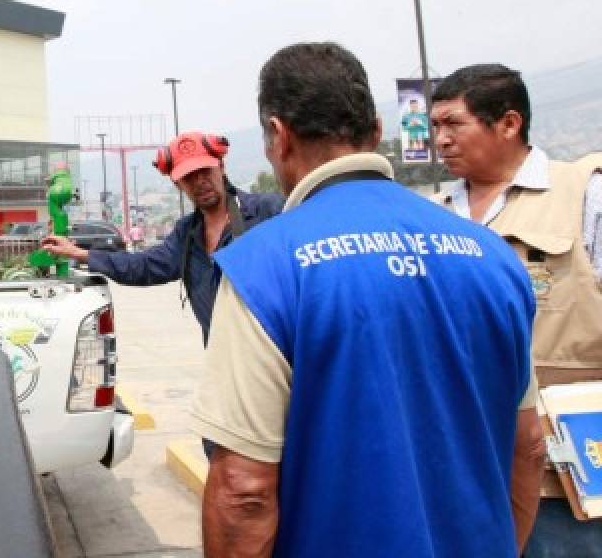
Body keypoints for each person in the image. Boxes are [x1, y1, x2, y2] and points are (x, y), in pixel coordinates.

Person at [193, 42, 543, 558]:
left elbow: (244, 492)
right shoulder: (493, 258)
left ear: (278, 135)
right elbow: (528, 445)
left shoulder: (265, 268)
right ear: (376, 129)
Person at [430, 63, 602, 556]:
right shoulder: (436, 215)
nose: (440, 140)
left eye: (453, 124)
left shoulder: (588, 196)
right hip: (467, 470)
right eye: (435, 127)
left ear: (509, 123)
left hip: (568, 473)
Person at [40, 131, 282, 344]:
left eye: (205, 171)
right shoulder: (187, 235)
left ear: (221, 167)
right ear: (178, 183)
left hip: (277, 354)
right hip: (222, 363)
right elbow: (143, 266)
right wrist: (82, 254)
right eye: (189, 176)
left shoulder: (268, 213)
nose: (200, 182)